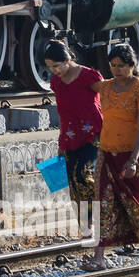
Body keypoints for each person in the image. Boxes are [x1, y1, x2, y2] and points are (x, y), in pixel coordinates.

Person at [86, 43, 139, 270]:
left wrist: (133, 159)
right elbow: (83, 82)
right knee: (102, 202)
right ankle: (98, 256)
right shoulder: (106, 87)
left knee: (137, 201)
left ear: (132, 65)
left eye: (121, 65)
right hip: (107, 152)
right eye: (112, 66)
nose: (116, 70)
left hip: (133, 154)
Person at [42, 41, 102, 237]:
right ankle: (86, 226)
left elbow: (108, 97)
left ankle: (101, 215)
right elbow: (62, 113)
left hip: (93, 135)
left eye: (56, 66)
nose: (54, 71)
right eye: (50, 67)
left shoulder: (89, 76)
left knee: (83, 174)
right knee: (73, 184)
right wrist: (61, 142)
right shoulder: (57, 83)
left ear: (67, 60)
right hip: (70, 137)